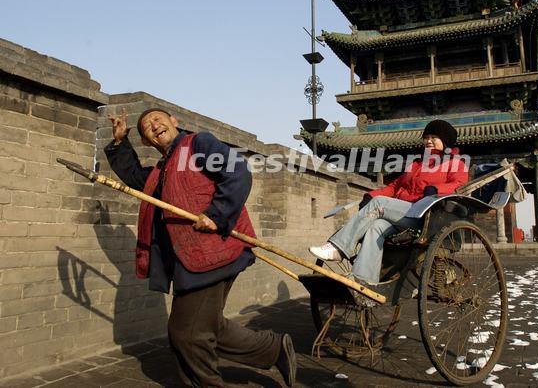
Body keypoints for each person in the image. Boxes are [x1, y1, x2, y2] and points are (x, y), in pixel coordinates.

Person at [105, 107, 296, 387]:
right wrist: (121, 142)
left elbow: (237, 170)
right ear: (146, 141)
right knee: (207, 327)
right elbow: (136, 177)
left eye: (158, 118)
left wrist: (217, 215)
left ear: (174, 121)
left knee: (187, 334)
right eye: (146, 126)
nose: (154, 125)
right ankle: (273, 349)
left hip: (213, 253)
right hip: (191, 260)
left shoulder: (199, 143)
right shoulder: (161, 171)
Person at [309, 120, 469, 285]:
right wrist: (370, 195)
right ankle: (364, 281)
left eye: (434, 137)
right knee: (375, 226)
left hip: (425, 215)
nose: (428, 140)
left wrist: (436, 189)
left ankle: (339, 247)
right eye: (426, 137)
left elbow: (460, 186)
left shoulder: (455, 163)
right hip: (403, 213)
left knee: (379, 204)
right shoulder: (416, 164)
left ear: (446, 141)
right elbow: (394, 186)